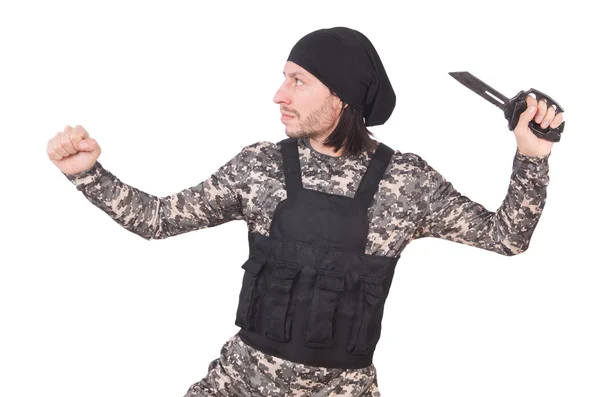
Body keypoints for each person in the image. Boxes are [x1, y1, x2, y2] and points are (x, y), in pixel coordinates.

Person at [46, 27, 563, 397]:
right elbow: (158, 221)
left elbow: (506, 236)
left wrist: (531, 159)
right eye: (284, 78)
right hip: (240, 385)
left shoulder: (408, 181)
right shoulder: (260, 166)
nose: (279, 94)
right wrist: (87, 172)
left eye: (298, 80)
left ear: (340, 97)